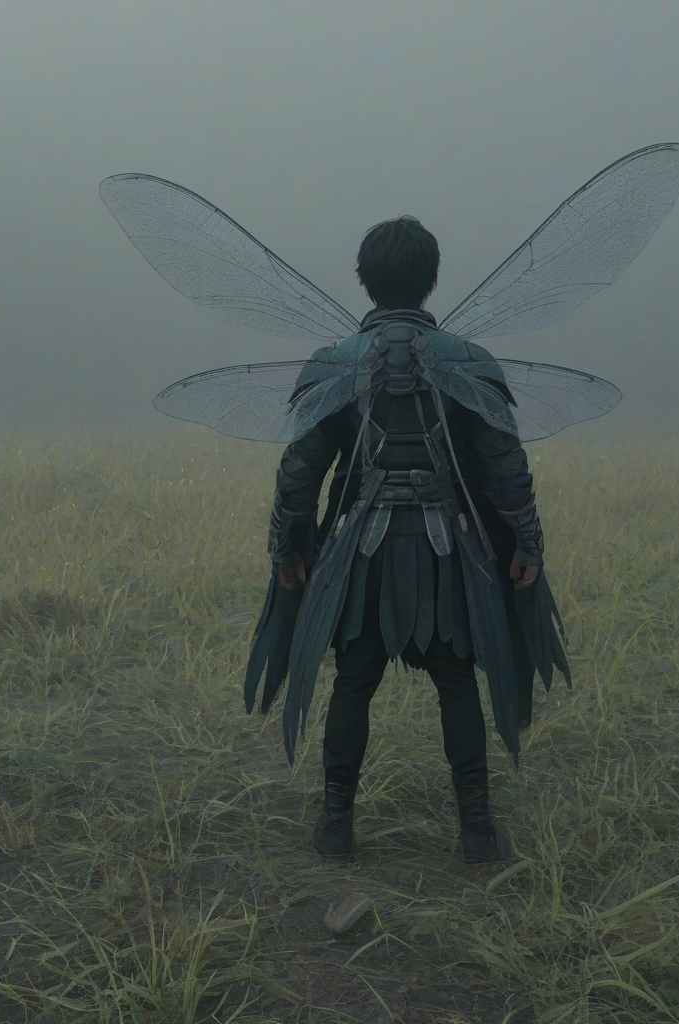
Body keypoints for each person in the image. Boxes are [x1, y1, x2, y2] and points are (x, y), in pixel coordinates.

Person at [264, 215, 568, 862]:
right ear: (431, 282)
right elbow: (505, 467)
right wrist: (527, 543)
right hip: (443, 549)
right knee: (457, 680)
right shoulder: (467, 361)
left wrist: (286, 546)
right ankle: (478, 830)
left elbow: (300, 471)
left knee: (353, 680)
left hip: (362, 554)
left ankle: (336, 824)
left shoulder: (333, 363)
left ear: (365, 282)